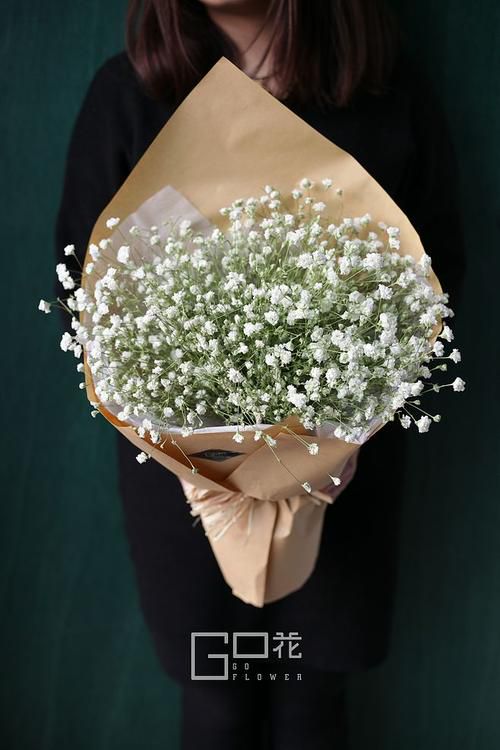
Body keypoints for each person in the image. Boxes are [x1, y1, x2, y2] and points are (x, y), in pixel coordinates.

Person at [55, 1, 465, 747]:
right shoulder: (130, 96)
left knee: (314, 700)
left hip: (345, 479)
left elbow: (438, 281)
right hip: (184, 491)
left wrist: (346, 432)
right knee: (218, 700)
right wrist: (192, 447)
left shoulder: (386, 94)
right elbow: (86, 298)